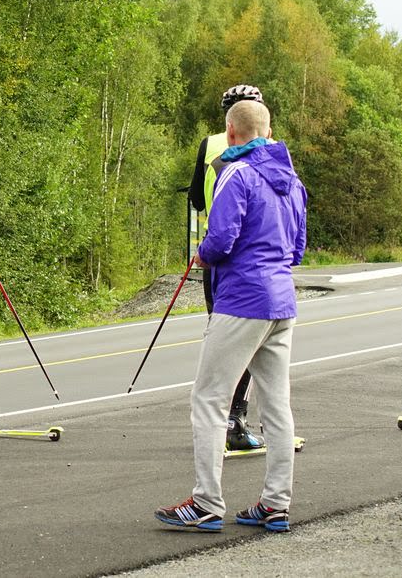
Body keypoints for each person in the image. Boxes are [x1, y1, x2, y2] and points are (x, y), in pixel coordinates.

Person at [156, 99, 307, 532]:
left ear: (230, 131)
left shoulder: (235, 173)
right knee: (276, 405)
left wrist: (202, 256)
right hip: (282, 300)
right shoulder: (292, 180)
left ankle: (206, 502)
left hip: (242, 298)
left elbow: (220, 239)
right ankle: (276, 503)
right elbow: (297, 249)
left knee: (208, 398)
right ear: (269, 129)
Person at [187, 84, 267, 451]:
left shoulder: (209, 144)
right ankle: (236, 419)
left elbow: (195, 200)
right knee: (249, 344)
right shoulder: (269, 148)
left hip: (212, 254)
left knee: (218, 336)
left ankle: (212, 421)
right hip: (251, 258)